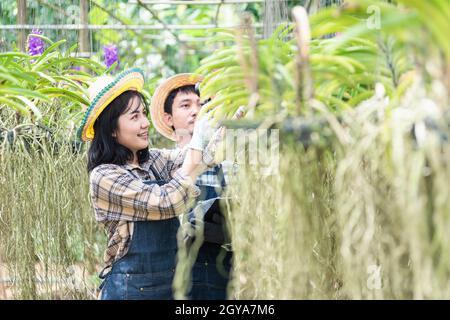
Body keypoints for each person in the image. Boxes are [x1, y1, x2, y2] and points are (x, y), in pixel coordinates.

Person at [78, 68, 216, 300]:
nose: (145, 123)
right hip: (129, 290)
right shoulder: (105, 176)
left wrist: (217, 126)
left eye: (144, 114)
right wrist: (198, 144)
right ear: (111, 129)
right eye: (135, 117)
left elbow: (195, 158)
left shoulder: (152, 160)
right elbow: (166, 202)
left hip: (170, 286)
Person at [150, 73, 234, 299]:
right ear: (168, 118)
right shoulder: (162, 164)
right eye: (185, 105)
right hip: (179, 272)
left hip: (225, 269)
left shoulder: (226, 160)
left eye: (202, 104)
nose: (197, 112)